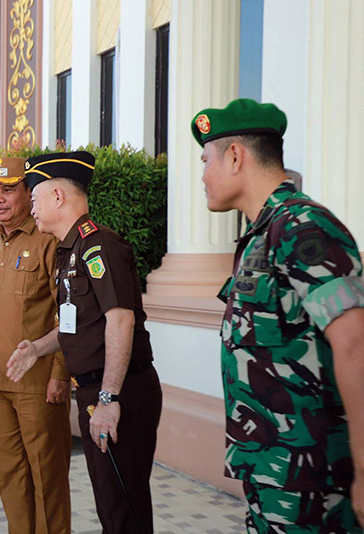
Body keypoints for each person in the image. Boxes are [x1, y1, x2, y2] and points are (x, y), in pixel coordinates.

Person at [191, 98, 364, 532]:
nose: (202, 175)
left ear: (235, 157)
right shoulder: (259, 237)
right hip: (272, 474)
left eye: (205, 160)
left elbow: (355, 343)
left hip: (314, 482)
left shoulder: (302, 227)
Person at [6, 151, 162, 534]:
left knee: (123, 506)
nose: (31, 206)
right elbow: (80, 325)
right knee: (111, 504)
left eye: (35, 196)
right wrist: (37, 348)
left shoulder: (98, 246)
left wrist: (108, 400)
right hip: (97, 392)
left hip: (118, 394)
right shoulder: (69, 250)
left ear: (58, 197)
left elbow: (120, 319)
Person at [0, 156, 72, 533]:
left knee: (48, 476)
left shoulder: (49, 241)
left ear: (30, 193)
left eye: (9, 189)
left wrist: (61, 374)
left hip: (38, 383)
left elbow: (67, 312)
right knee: (10, 474)